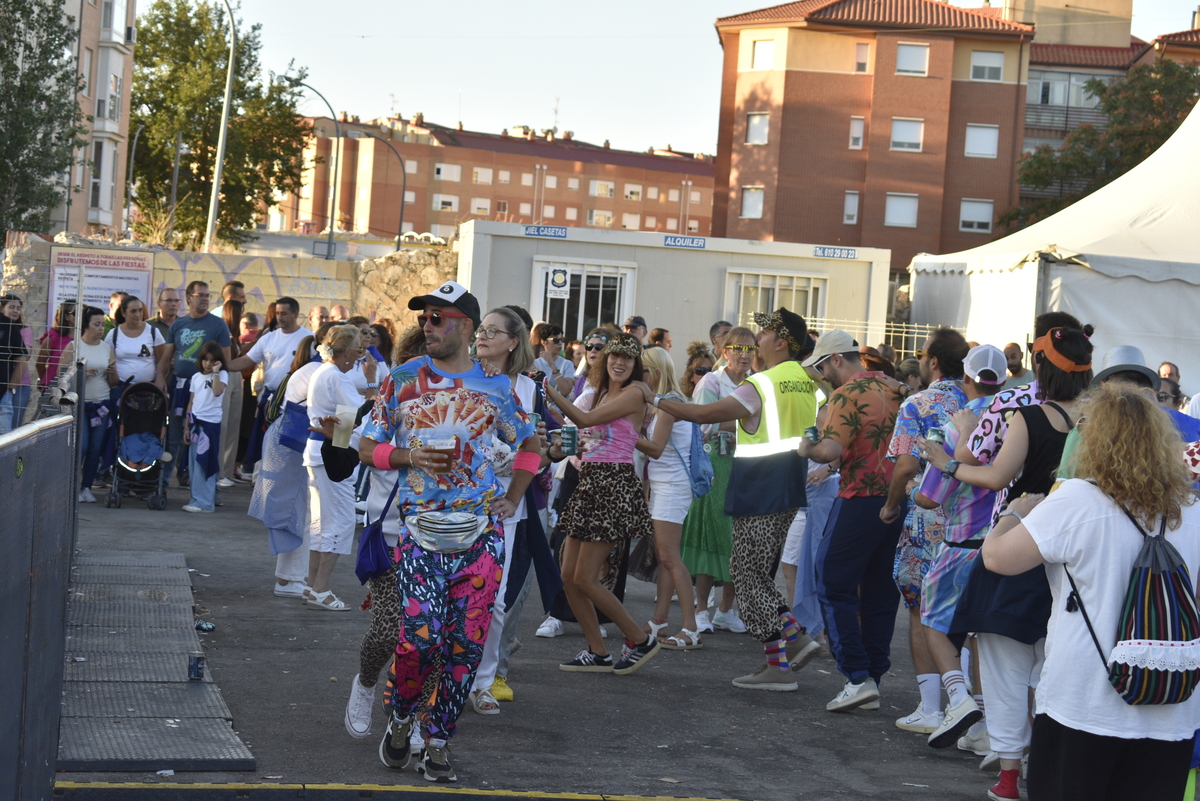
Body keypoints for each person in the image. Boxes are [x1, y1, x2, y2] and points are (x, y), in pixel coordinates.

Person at [981, 384, 1200, 801]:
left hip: (1082, 701)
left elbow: (997, 559)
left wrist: (1015, 513)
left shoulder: (1078, 501)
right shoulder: (1191, 509)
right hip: (1171, 703)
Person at [359, 280, 539, 782]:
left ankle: (438, 741)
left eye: (437, 318)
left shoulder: (498, 386)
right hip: (420, 534)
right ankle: (400, 719)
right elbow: (366, 448)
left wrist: (514, 497)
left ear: (464, 326)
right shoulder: (403, 379)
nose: (426, 326)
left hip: (481, 537)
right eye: (423, 318)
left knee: (465, 646)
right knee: (419, 641)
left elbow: (529, 446)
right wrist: (407, 455)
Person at [921, 326, 1093, 796]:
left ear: (1041, 368)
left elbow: (997, 477)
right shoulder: (1099, 421)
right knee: (1055, 664)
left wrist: (947, 462)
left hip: (1021, 544)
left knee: (1004, 667)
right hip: (1078, 553)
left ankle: (1010, 777)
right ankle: (1047, 765)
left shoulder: (1029, 416)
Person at [654, 309, 817, 691]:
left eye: (763, 334)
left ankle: (779, 663)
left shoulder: (762, 384)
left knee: (746, 574)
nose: (755, 341)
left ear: (780, 342)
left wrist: (658, 400)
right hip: (789, 484)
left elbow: (702, 414)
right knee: (755, 571)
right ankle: (795, 638)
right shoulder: (805, 380)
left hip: (759, 486)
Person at [542, 333, 664, 674]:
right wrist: (579, 444)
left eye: (627, 358)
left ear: (636, 363)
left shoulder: (636, 391)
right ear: (603, 360)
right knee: (568, 576)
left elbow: (585, 421)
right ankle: (597, 651)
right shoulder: (598, 395)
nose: (619, 362)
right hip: (590, 480)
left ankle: (640, 638)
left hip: (614, 485)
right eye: (613, 356)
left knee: (587, 578)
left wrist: (551, 392)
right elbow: (587, 431)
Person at [799, 329, 907, 711]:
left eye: (821, 367)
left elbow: (829, 449)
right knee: (879, 592)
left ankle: (857, 676)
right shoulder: (897, 388)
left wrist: (806, 444)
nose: (822, 375)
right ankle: (873, 676)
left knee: (832, 582)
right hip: (899, 498)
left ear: (836, 361)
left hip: (861, 497)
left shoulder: (846, 394)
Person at [908, 346, 1006, 742]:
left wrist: (917, 487)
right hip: (1002, 542)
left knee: (931, 618)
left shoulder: (959, 426)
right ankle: (982, 723)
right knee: (981, 633)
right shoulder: (1017, 420)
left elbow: (930, 497)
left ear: (965, 379)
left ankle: (957, 695)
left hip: (961, 542)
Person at [882, 328, 969, 734]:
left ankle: (931, 708)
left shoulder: (919, 403)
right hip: (976, 515)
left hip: (927, 514)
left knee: (920, 608)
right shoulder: (986, 403)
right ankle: (969, 707)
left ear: (933, 361)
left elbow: (904, 465)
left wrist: (891, 503)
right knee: (968, 616)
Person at [466, 306, 542, 715]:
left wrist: (516, 484)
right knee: (450, 595)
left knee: (494, 598)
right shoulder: (461, 377)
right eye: (480, 329)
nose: (482, 336)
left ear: (514, 342)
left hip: (502, 506)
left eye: (493, 331)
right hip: (453, 503)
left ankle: (484, 681)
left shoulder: (528, 390)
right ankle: (447, 678)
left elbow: (536, 450)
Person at [680, 327, 756, 634]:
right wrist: (746, 420)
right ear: (724, 351)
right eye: (737, 348)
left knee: (738, 540)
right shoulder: (712, 381)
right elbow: (702, 422)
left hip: (746, 467)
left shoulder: (756, 383)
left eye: (750, 349)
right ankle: (701, 609)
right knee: (709, 535)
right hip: (714, 466)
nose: (744, 355)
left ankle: (726, 609)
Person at [635, 346, 699, 649]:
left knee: (670, 557)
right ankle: (660, 620)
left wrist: (621, 433)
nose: (639, 376)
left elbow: (656, 449)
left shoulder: (670, 403)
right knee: (665, 556)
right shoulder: (668, 402)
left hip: (673, 487)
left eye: (643, 370)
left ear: (655, 373)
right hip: (666, 485)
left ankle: (691, 627)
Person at [302, 325, 365, 611]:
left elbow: (345, 417)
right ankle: (321, 587)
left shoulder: (321, 372)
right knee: (340, 520)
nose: (359, 356)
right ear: (348, 352)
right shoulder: (337, 377)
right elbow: (356, 416)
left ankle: (312, 584)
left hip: (318, 449)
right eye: (358, 350)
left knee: (321, 520)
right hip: (331, 451)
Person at [156, 281, 232, 487]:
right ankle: (162, 484)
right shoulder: (179, 325)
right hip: (180, 387)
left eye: (208, 295)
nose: (205, 299)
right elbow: (166, 357)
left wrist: (215, 381)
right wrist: (161, 378)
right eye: (201, 295)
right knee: (174, 437)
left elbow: (226, 361)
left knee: (204, 439)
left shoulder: (218, 325)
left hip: (205, 390)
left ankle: (207, 489)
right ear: (189, 298)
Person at [226, 297, 312, 477]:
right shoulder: (269, 338)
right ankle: (263, 477)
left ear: (295, 314)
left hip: (296, 400)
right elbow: (247, 360)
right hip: (270, 399)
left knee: (288, 443)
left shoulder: (308, 338)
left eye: (284, 314)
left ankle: (287, 477)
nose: (279, 317)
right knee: (266, 441)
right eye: (277, 313)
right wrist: (224, 365)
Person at [61, 307, 116, 502]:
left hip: (101, 404)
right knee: (81, 447)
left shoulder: (106, 348)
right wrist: (80, 374)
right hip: (80, 404)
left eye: (103, 324)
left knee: (95, 449)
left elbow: (114, 381)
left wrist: (112, 374)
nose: (101, 328)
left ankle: (86, 487)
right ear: (86, 325)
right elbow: (62, 378)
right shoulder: (73, 347)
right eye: (96, 324)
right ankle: (72, 486)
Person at [182, 342, 227, 514]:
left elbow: (217, 392)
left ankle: (204, 503)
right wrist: (187, 427)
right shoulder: (196, 377)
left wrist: (216, 372)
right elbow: (191, 403)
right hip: (196, 425)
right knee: (195, 464)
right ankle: (203, 497)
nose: (208, 364)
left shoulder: (222, 375)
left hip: (210, 426)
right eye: (205, 360)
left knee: (204, 463)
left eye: (212, 361)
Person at [102, 295, 167, 392]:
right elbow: (106, 362)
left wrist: (160, 379)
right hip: (121, 388)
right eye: (133, 311)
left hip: (148, 388)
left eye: (140, 310)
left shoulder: (153, 332)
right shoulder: (113, 334)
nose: (138, 314)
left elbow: (163, 361)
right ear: (123, 313)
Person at [215, 299, 247, 488]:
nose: (242, 315)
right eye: (240, 312)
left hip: (236, 375)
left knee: (234, 424)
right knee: (224, 424)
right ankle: (219, 471)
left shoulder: (234, 335)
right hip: (225, 375)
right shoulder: (222, 330)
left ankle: (227, 472)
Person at [0, 294, 33, 431]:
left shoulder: (11, 327)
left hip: (6, 389)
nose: (15, 311)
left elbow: (22, 359)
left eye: (18, 308)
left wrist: (9, 389)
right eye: (11, 307)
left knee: (9, 434)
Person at [37, 300, 76, 389]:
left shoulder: (85, 337)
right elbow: (40, 363)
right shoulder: (54, 336)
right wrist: (47, 380)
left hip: (76, 387)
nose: (80, 316)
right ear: (66, 316)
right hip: (53, 387)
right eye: (75, 313)